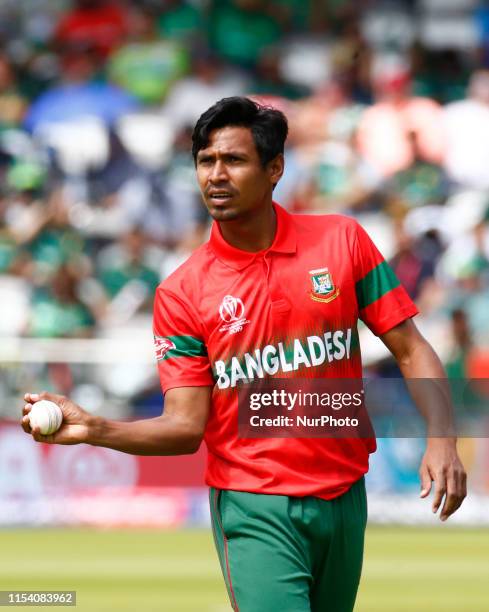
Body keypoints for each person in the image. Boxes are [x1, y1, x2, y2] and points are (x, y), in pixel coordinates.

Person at [21, 97, 466, 612]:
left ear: (274, 168)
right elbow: (185, 427)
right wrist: (97, 428)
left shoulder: (342, 241)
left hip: (346, 495)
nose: (215, 175)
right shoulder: (182, 292)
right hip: (253, 505)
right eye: (205, 161)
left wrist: (442, 439)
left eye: (233, 160)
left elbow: (411, 348)